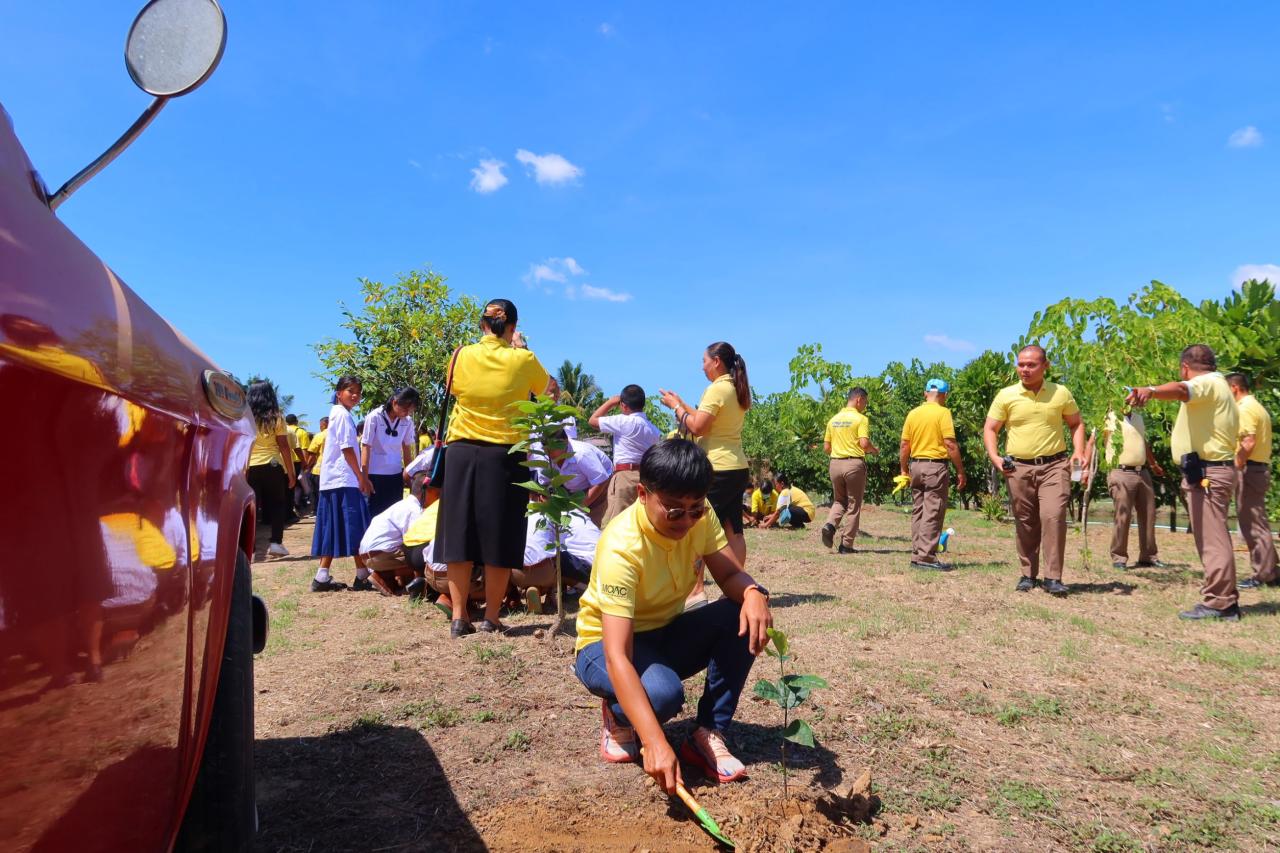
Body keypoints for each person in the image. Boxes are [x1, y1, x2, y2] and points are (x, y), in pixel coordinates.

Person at [572, 439, 773, 790]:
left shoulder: (700, 514)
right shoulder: (622, 546)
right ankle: (618, 713)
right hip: (602, 646)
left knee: (738, 611)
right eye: (674, 510)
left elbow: (728, 575)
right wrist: (654, 741)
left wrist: (753, 593)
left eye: (695, 509)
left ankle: (707, 732)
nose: (687, 519)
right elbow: (618, 655)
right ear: (643, 494)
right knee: (663, 696)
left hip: (663, 632)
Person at [435, 298, 552, 638]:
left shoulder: (459, 356)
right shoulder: (523, 359)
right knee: (500, 536)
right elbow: (548, 393)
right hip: (504, 453)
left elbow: (454, 389)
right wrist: (517, 349)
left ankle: (459, 617)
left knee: (459, 533)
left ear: (481, 324)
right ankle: (493, 617)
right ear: (512, 327)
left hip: (460, 451)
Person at [1127, 346, 1241, 618]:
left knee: (1213, 539)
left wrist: (1151, 390)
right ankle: (1223, 599)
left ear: (1185, 368)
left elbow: (1181, 390)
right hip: (1207, 471)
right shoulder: (1219, 385)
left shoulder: (1206, 384)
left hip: (1208, 473)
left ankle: (1220, 602)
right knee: (1212, 537)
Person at [984, 346, 1086, 596]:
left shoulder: (1060, 393)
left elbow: (1076, 424)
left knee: (1053, 516)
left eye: (1031, 365)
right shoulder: (1006, 395)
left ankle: (1053, 577)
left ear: (1045, 366)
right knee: (1025, 521)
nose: (1024, 370)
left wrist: (1078, 451)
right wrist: (996, 458)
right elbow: (990, 429)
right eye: (1021, 364)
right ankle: (1028, 574)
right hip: (1017, 468)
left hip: (1054, 466)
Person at [658, 341, 753, 600]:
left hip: (716, 468)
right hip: (737, 466)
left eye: (703, 361)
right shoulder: (736, 388)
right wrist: (681, 404)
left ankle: (696, 590)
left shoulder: (716, 389)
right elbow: (704, 418)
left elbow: (699, 427)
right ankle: (738, 584)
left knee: (698, 527)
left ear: (716, 361)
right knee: (733, 529)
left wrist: (675, 408)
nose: (702, 366)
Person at [311, 375, 375, 592]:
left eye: (358, 391)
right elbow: (347, 448)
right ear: (339, 393)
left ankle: (322, 575)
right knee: (353, 525)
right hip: (343, 479)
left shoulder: (339, 414)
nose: (355, 395)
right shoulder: (342, 415)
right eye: (350, 390)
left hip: (335, 479)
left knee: (334, 526)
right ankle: (361, 574)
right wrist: (361, 477)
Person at [899, 379, 966, 569]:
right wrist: (960, 470)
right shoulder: (943, 413)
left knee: (918, 511)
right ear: (944, 395)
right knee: (933, 511)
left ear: (925, 393)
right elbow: (950, 444)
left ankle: (916, 554)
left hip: (916, 465)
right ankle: (926, 558)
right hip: (935, 467)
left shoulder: (913, 414)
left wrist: (904, 468)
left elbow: (905, 445)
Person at [1227, 373, 1278, 589]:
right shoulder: (1257, 406)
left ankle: (1263, 574)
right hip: (1258, 469)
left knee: (1253, 525)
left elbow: (1247, 442)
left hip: (1250, 469)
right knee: (1258, 522)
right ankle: (1272, 571)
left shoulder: (1245, 409)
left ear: (1235, 388)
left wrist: (1235, 467)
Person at [589, 384, 662, 526]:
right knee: (639, 523)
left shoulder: (623, 421)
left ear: (623, 405)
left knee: (615, 523)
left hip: (624, 475)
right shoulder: (654, 430)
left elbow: (593, 420)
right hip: (645, 478)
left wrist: (610, 402)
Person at [1101, 408, 1165, 570]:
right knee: (1123, 516)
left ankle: (1148, 556)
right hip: (1121, 471)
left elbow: (1143, 441)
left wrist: (1153, 464)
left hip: (1142, 472)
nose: (1131, 400)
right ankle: (1119, 558)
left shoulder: (1139, 418)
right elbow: (1100, 440)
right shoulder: (1110, 416)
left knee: (1149, 515)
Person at [821, 387, 879, 554]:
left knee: (839, 501)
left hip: (835, 464)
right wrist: (874, 450)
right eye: (865, 402)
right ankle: (846, 545)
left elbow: (826, 448)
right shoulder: (861, 419)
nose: (865, 406)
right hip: (853, 465)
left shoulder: (833, 420)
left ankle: (830, 525)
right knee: (854, 505)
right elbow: (864, 444)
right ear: (859, 399)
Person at [246, 381, 297, 558]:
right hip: (273, 465)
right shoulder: (277, 417)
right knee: (277, 504)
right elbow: (283, 446)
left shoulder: (244, 417)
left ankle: (249, 547)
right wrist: (290, 473)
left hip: (250, 466)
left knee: (251, 509)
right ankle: (276, 543)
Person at [516, 509, 599, 613]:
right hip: (598, 566)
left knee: (552, 557)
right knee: (554, 557)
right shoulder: (572, 513)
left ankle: (539, 588)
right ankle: (543, 589)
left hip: (518, 572)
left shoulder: (536, 514)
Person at [359, 471, 428, 596]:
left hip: (367, 555)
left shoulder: (403, 504)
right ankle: (384, 575)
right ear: (425, 493)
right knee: (425, 556)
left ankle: (390, 578)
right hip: (380, 555)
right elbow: (417, 544)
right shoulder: (414, 510)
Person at [361, 387, 419, 516]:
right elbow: (366, 446)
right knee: (374, 513)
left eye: (410, 410)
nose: (407, 413)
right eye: (405, 409)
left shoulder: (407, 422)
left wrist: (409, 476)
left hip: (395, 474)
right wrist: (364, 477)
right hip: (375, 474)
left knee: (393, 513)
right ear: (394, 402)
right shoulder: (374, 417)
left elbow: (407, 450)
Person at [536, 432, 615, 527]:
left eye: (553, 448)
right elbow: (545, 484)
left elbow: (601, 480)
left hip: (601, 487)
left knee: (593, 526)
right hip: (572, 490)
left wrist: (579, 507)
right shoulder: (545, 457)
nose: (549, 452)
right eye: (546, 448)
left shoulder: (581, 454)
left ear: (565, 442)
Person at [285, 414, 313, 516]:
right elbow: (304, 449)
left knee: (286, 486)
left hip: (284, 462)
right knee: (298, 486)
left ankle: (289, 508)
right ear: (296, 421)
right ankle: (296, 506)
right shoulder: (302, 432)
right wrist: (304, 463)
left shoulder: (283, 429)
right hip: (297, 462)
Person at [305, 416, 328, 492]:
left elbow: (312, 454)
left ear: (324, 425)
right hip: (335, 472)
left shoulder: (319, 435)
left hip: (319, 471)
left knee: (316, 496)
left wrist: (307, 467)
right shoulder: (339, 434)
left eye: (320, 426)